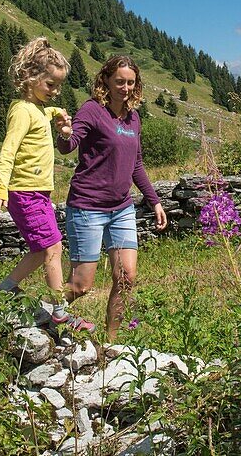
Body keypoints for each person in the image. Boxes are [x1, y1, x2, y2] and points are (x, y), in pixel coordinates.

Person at [56, 55, 168, 340]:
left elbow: (137, 164)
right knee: (81, 286)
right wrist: (64, 133)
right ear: (105, 80)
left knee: (126, 278)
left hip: (121, 209)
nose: (125, 87)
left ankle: (112, 343)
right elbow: (69, 145)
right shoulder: (92, 110)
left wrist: (153, 200)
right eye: (119, 81)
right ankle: (47, 310)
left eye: (130, 82)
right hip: (87, 208)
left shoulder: (133, 119)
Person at [0, 38, 93, 331]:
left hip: (38, 193)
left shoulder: (36, 109)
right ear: (30, 78)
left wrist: (57, 112)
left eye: (58, 86)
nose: (55, 91)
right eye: (50, 85)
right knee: (53, 248)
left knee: (40, 248)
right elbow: (7, 151)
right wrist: (0, 190)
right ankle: (60, 310)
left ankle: (7, 287)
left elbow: (43, 113)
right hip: (24, 191)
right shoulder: (21, 111)